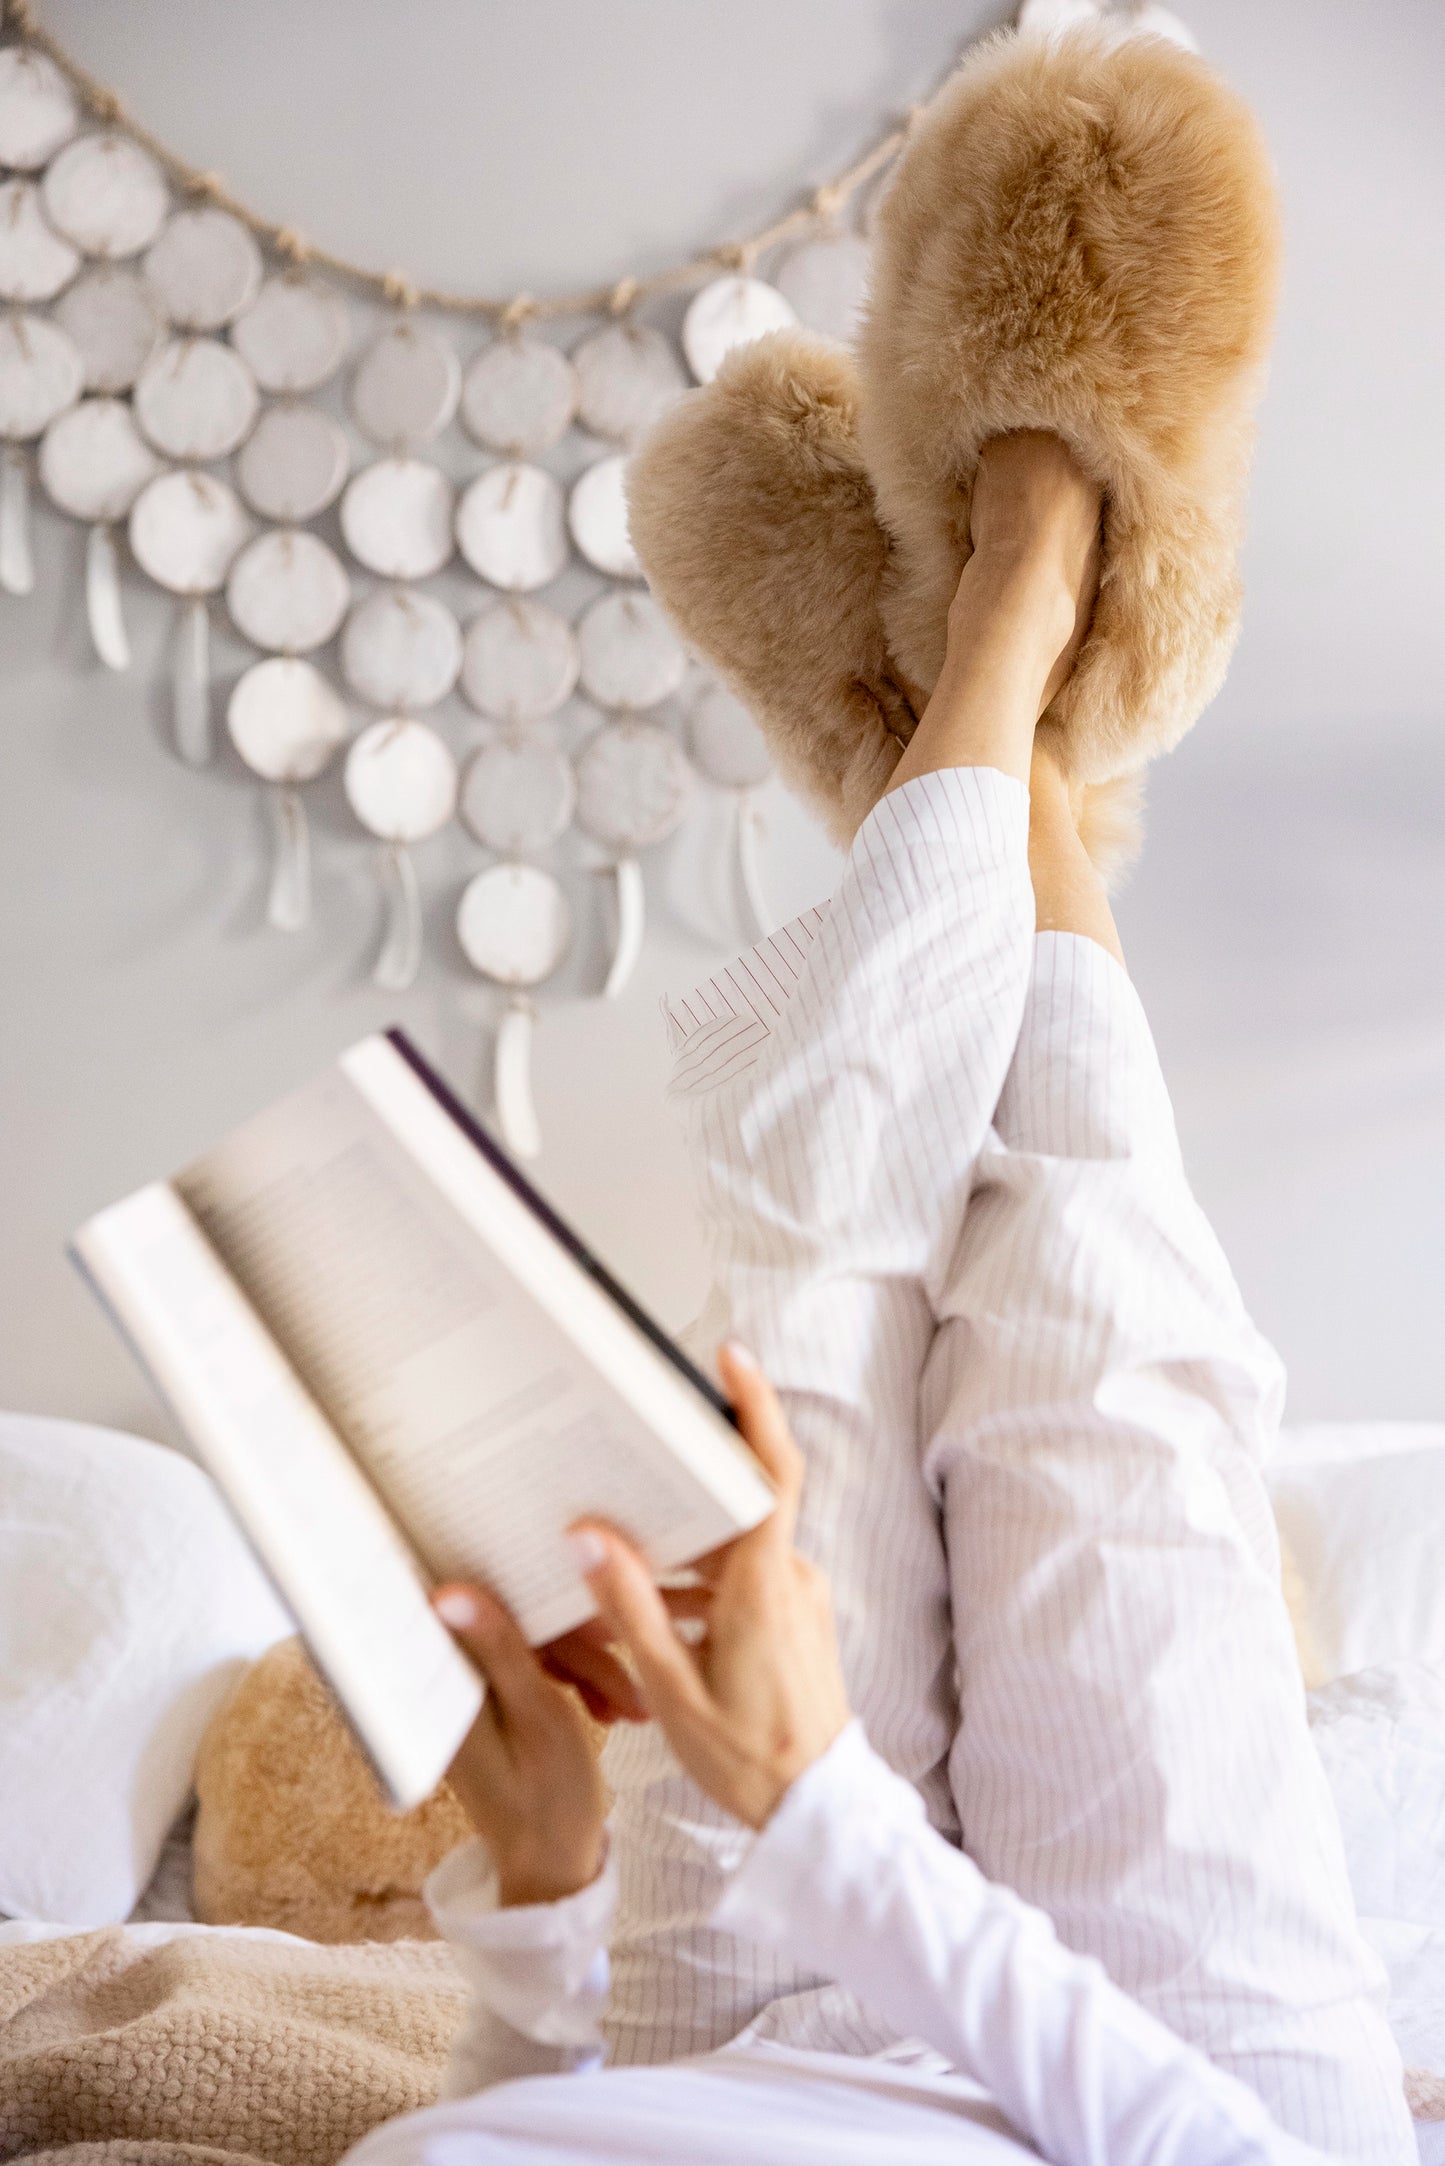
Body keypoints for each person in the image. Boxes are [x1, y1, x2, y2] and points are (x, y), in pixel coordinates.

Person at [354, 434, 1413, 2163]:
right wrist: (820, 1812)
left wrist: (544, 1896)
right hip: (1183, 2071)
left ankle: (970, 699)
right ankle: (1018, 681)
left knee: (808, 1268)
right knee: (1096, 1340)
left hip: (741, 2038)